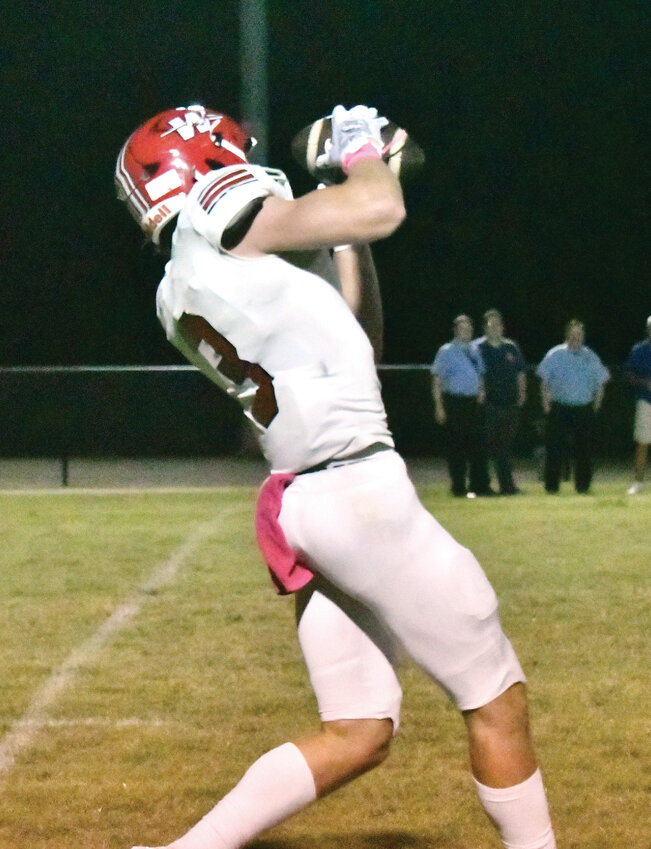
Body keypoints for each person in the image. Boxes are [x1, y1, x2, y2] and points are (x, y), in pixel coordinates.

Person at [116, 103, 556, 849]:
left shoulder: (177, 288)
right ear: (207, 164)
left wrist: (342, 217)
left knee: (357, 728)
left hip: (305, 504)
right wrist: (359, 154)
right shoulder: (220, 210)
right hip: (358, 495)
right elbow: (380, 204)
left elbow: (357, 333)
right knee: (495, 696)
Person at [536, 320, 610, 493]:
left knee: (584, 450)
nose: (576, 337)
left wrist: (596, 405)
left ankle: (583, 487)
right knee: (554, 449)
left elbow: (601, 382)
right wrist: (547, 406)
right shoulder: (555, 354)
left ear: (583, 336)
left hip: (583, 409)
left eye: (579, 334)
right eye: (573, 334)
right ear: (566, 335)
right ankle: (552, 487)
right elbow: (544, 382)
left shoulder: (591, 356)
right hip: (559, 407)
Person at [431, 315, 494, 497]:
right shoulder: (446, 351)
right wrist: (439, 406)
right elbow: (437, 380)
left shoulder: (475, 349)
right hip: (455, 402)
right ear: (455, 330)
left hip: (474, 403)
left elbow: (481, 374)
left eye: (468, 328)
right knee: (456, 447)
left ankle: (479, 486)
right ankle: (459, 487)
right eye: (462, 328)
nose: (466, 331)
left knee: (478, 446)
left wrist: (481, 391)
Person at [474, 308, 527, 495]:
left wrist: (522, 395)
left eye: (497, 325)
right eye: (491, 325)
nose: (495, 328)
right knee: (483, 446)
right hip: (487, 405)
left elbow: (520, 373)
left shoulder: (511, 347)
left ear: (503, 327)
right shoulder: (477, 348)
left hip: (509, 404)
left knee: (505, 448)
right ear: (484, 328)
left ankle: (507, 486)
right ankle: (482, 486)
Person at [624, 315, 651, 494]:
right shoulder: (639, 350)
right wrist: (646, 383)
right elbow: (629, 376)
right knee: (643, 442)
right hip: (646, 400)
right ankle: (638, 482)